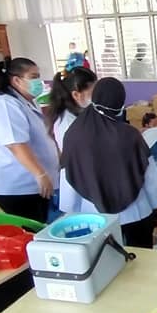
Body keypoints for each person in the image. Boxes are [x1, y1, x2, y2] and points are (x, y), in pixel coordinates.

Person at [62, 77, 157, 248]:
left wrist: (70, 209)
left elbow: (69, 172)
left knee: (104, 256)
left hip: (93, 212)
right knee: (141, 255)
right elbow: (149, 173)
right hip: (135, 210)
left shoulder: (74, 133)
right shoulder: (129, 134)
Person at [0, 57, 59, 222]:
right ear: (16, 80)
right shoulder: (5, 104)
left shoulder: (26, 100)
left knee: (41, 223)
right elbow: (16, 144)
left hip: (30, 180)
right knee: (33, 226)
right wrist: (40, 174)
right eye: (33, 77)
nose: (39, 81)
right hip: (16, 184)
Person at [47, 66, 98, 213]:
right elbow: (81, 154)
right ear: (76, 94)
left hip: (86, 175)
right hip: (80, 177)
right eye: (93, 92)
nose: (96, 96)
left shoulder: (82, 114)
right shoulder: (67, 122)